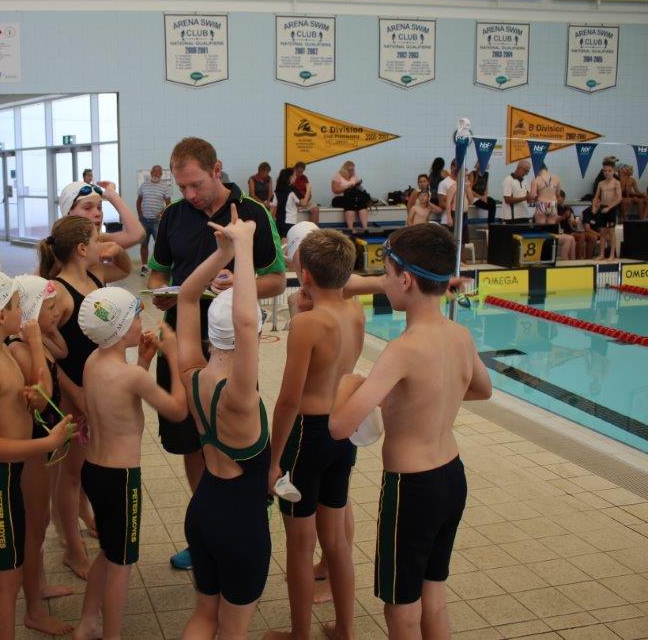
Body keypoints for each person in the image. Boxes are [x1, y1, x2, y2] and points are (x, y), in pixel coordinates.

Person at [330, 224, 492, 638]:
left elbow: (340, 426)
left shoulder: (402, 350)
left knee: (401, 607)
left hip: (412, 490)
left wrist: (348, 383)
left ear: (405, 280)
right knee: (433, 594)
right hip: (452, 476)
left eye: (385, 274)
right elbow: (482, 389)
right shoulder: (459, 335)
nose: (383, 282)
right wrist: (426, 399)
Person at [147, 137, 285, 571]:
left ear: (217, 169)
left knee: (236, 438)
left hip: (230, 345)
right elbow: (156, 275)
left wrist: (241, 282)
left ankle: (245, 522)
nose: (190, 195)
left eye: (197, 184)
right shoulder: (173, 217)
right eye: (182, 187)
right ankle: (206, 529)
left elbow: (277, 280)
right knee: (192, 440)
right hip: (182, 338)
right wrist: (161, 293)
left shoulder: (252, 214)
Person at [0, 269, 74, 640]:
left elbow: (27, 395)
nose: (22, 310)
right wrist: (47, 443)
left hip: (5, 476)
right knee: (6, 581)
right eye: (16, 304)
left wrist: (31, 398)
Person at [73, 288, 187, 640]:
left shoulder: (93, 362)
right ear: (122, 329)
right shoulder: (130, 377)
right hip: (121, 481)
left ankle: (87, 622)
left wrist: (145, 361)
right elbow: (177, 410)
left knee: (108, 552)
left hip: (94, 471)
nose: (142, 322)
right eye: (137, 317)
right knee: (122, 565)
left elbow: (121, 403)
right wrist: (174, 357)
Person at [177, 210, 271, 636]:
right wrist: (244, 247)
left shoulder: (192, 375)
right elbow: (246, 324)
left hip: (202, 512)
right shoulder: (240, 398)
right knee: (232, 630)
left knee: (204, 616)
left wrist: (221, 254)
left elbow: (185, 297)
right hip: (241, 527)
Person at [268, 230, 363, 640]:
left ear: (304, 275)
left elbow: (289, 401)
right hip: (343, 432)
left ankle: (299, 635)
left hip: (306, 437)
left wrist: (273, 461)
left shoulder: (307, 325)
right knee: (336, 540)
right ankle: (345, 629)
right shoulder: (355, 311)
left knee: (300, 546)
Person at [38, 215, 130, 579]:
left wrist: (114, 248)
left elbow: (126, 269)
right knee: (71, 474)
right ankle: (72, 552)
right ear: (81, 248)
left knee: (89, 466)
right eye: (96, 239)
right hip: (72, 395)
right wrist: (74, 392)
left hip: (95, 390)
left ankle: (86, 522)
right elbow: (45, 349)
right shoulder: (59, 293)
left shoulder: (96, 275)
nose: (100, 243)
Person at [7, 276, 73, 637]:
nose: (57, 313)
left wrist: (46, 330)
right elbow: (43, 395)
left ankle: (40, 584)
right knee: (33, 528)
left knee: (42, 519)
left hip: (44, 443)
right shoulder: (20, 349)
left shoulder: (40, 342)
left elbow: (62, 351)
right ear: (30, 314)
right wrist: (34, 339)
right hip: (31, 447)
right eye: (50, 309)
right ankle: (33, 609)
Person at [58, 179, 144, 254]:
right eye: (87, 208)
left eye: (99, 207)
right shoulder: (59, 249)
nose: (97, 213)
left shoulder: (99, 240)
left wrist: (112, 195)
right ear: (68, 213)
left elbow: (137, 235)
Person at [136, 165, 172, 276]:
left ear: (161, 174)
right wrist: (140, 215)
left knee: (160, 245)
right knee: (144, 244)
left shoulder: (165, 187)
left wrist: (162, 214)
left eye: (158, 172)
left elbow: (168, 204)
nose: (156, 174)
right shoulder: (144, 185)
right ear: (151, 173)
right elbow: (138, 201)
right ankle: (144, 266)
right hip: (144, 221)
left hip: (157, 222)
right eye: (154, 172)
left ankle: (159, 268)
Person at [592, 162, 622, 260]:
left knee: (612, 232)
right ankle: (602, 254)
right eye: (605, 171)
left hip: (611, 208)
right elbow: (596, 197)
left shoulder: (616, 183)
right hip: (602, 208)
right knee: (602, 232)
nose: (607, 173)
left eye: (609, 170)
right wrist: (594, 207)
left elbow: (619, 198)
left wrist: (609, 208)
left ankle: (612, 255)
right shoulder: (601, 183)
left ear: (614, 171)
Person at [558, 190, 598, 260]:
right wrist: (564, 216)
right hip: (564, 232)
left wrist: (575, 222)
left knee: (592, 237)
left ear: (563, 198)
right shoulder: (554, 208)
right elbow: (555, 220)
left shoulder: (568, 209)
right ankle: (579, 258)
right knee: (581, 235)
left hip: (573, 230)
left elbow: (573, 224)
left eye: (558, 197)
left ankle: (588, 258)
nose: (556, 198)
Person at [331, 160, 370, 230]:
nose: (352, 172)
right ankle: (351, 228)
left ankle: (365, 228)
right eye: (350, 170)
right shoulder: (338, 176)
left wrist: (358, 185)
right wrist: (347, 187)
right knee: (350, 203)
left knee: (362, 204)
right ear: (345, 170)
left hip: (352, 197)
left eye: (353, 170)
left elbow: (359, 189)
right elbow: (335, 190)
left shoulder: (354, 176)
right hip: (339, 198)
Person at [274, 167, 296, 238]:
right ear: (290, 177)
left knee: (280, 241)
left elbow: (273, 206)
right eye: (294, 175)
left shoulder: (277, 190)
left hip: (279, 221)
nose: (295, 177)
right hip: (289, 221)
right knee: (286, 242)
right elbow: (303, 203)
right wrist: (308, 190)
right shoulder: (292, 190)